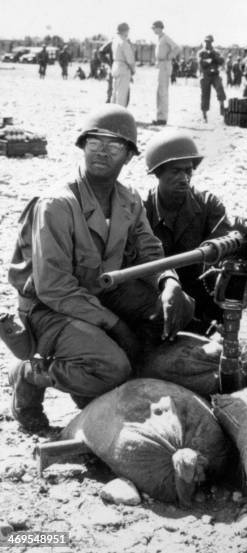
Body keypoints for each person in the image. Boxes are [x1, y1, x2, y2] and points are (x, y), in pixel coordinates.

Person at [6, 105, 194, 432]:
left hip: (98, 294)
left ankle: (102, 374)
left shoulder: (128, 199)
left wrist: (168, 281)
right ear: (82, 146)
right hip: (49, 308)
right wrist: (115, 325)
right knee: (112, 368)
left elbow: (149, 250)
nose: (102, 153)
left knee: (180, 308)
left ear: (129, 155)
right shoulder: (57, 204)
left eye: (114, 146)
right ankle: (31, 375)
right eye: (94, 143)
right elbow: (53, 288)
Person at [143, 130, 232, 335]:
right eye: (175, 171)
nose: (184, 178)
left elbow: (221, 259)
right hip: (158, 293)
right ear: (158, 172)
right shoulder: (142, 208)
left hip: (203, 296)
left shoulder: (209, 205)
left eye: (188, 171)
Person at [151, 20, 181, 126]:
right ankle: (160, 117)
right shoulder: (160, 39)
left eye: (154, 28)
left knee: (162, 93)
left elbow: (177, 48)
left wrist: (169, 56)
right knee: (159, 92)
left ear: (160, 28)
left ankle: (162, 119)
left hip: (164, 65)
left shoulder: (165, 38)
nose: (153, 30)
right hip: (160, 65)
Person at [197, 35, 226, 123]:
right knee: (205, 95)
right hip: (205, 75)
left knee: (220, 90)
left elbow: (221, 62)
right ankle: (204, 115)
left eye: (209, 42)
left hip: (215, 75)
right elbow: (200, 63)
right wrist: (208, 60)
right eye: (206, 42)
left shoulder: (216, 52)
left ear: (212, 42)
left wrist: (215, 57)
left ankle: (222, 107)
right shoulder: (201, 52)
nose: (207, 43)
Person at [111, 22, 136, 107]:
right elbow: (130, 60)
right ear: (125, 31)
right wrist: (133, 70)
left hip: (115, 65)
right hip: (123, 67)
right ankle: (119, 116)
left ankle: (111, 113)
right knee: (121, 95)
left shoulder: (115, 41)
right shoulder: (124, 42)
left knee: (114, 93)